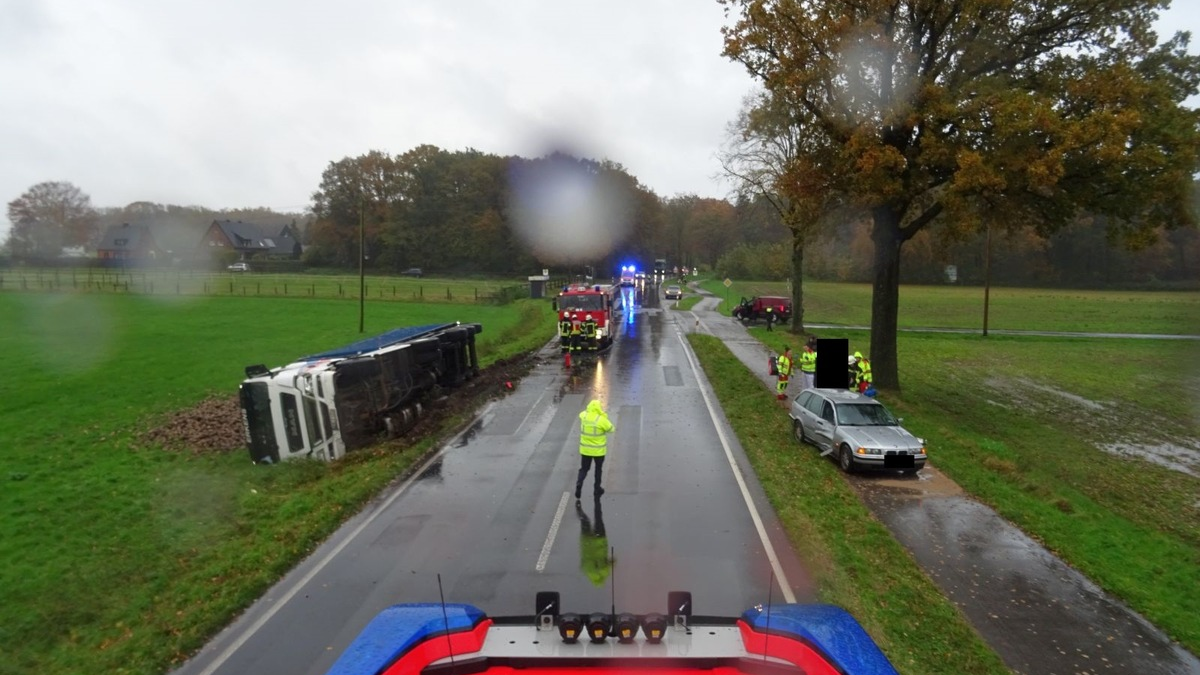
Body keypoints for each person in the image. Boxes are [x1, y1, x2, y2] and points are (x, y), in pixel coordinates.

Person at [576, 399, 615, 500]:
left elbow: (581, 414)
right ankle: (597, 488)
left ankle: (579, 482)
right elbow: (611, 429)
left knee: (584, 469)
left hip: (585, 450)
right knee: (598, 469)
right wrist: (603, 415)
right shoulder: (601, 420)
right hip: (598, 451)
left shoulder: (584, 416)